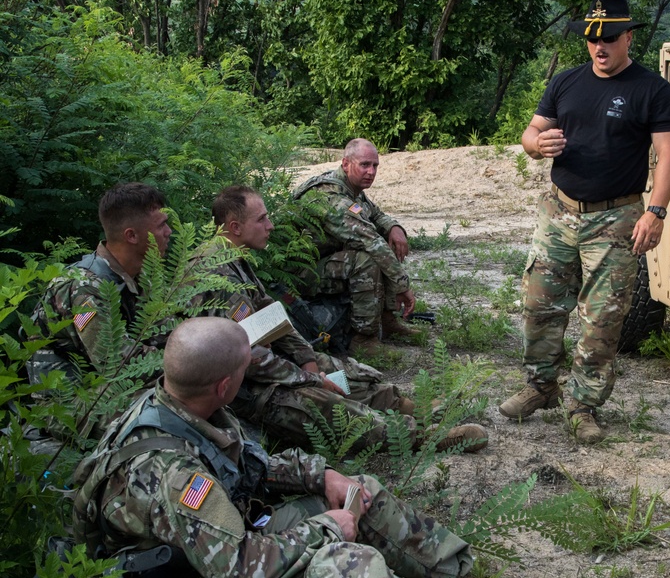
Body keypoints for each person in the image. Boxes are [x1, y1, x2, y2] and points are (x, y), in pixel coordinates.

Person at [72, 316, 543, 578]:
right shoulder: (175, 477)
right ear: (223, 385)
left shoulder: (188, 405)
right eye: (245, 369)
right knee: (353, 574)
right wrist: (331, 528)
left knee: (363, 492)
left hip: (213, 550)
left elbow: (249, 464)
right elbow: (238, 572)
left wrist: (324, 475)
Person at [497, 0, 670, 443]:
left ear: (628, 38)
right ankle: (540, 386)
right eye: (592, 39)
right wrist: (534, 145)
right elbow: (532, 130)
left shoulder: (651, 89)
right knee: (539, 303)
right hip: (559, 209)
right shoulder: (567, 82)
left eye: (610, 39)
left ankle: (582, 405)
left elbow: (669, 152)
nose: (600, 47)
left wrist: (655, 212)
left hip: (616, 216)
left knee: (602, 319)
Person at [191, 185, 486, 453]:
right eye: (262, 220)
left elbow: (271, 317)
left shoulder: (233, 258)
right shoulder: (217, 274)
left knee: (340, 372)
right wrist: (309, 379)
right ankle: (419, 436)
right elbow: (250, 358)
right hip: (239, 388)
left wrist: (307, 358)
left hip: (260, 366)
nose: (270, 226)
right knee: (321, 402)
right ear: (235, 227)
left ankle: (409, 407)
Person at [27, 182, 173, 441]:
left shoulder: (143, 278)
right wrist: (189, 364)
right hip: (68, 402)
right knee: (169, 411)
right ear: (132, 235)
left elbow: (167, 336)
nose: (169, 232)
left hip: (109, 388)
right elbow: (117, 363)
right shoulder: (84, 288)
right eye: (161, 225)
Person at [292, 138, 420, 352]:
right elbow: (370, 240)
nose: (371, 171)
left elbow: (375, 214)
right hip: (302, 273)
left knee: (381, 241)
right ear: (346, 164)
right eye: (364, 165)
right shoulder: (330, 196)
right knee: (367, 258)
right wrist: (402, 285)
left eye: (375, 165)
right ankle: (363, 339)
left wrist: (393, 227)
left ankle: (386, 320)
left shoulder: (351, 187)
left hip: (325, 260)